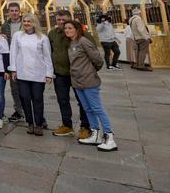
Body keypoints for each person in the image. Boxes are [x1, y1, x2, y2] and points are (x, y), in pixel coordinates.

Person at [64, 20, 117, 151]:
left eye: (70, 28)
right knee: (87, 109)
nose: (67, 30)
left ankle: (109, 136)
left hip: (88, 81)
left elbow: (97, 60)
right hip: (77, 82)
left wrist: (90, 71)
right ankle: (95, 133)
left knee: (97, 108)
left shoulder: (83, 41)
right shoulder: (72, 43)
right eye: (65, 28)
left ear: (77, 29)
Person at [48, 9, 94, 140]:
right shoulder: (53, 33)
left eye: (64, 20)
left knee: (82, 101)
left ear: (70, 19)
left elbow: (93, 51)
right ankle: (67, 125)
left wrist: (90, 70)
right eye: (59, 20)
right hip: (60, 73)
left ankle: (85, 127)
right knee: (62, 100)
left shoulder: (81, 33)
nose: (61, 22)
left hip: (77, 74)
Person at [9, 13, 53, 136]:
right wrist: (13, 70)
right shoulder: (17, 36)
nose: (27, 23)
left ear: (34, 23)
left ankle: (38, 123)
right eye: (25, 21)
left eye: (29, 21)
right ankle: (30, 122)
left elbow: (47, 56)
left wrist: (49, 73)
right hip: (22, 73)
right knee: (24, 97)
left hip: (38, 74)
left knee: (37, 98)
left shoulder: (42, 38)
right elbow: (13, 53)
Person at [0, 2, 25, 122]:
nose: (14, 13)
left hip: (25, 59)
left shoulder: (25, 23)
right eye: (12, 11)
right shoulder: (5, 25)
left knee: (26, 88)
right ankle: (19, 110)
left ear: (19, 11)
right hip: (11, 59)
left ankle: (30, 110)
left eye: (16, 10)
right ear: (8, 12)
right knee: (14, 88)